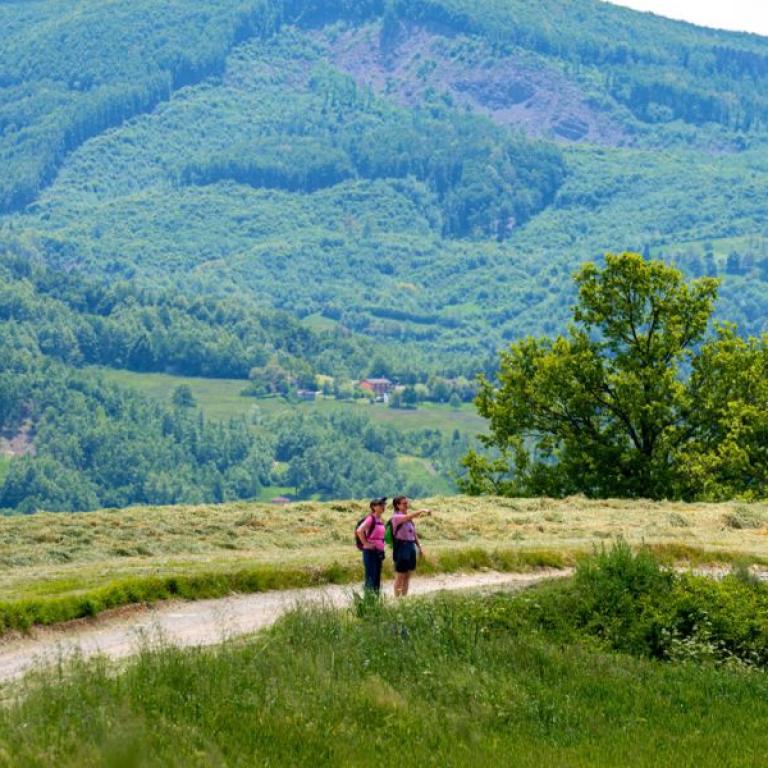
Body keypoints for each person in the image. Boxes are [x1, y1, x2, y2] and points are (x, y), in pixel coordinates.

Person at [390, 496, 431, 597]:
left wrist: (419, 547)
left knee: (408, 574)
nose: (406, 505)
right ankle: (397, 598)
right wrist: (422, 510)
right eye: (404, 503)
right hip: (401, 546)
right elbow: (410, 516)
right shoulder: (396, 517)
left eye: (407, 503)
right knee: (400, 574)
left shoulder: (408, 519)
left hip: (410, 545)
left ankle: (404, 597)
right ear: (397, 505)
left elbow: (413, 533)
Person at [356, 497, 387, 594]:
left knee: (376, 578)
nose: (383, 506)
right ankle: (369, 602)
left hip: (378, 552)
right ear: (373, 507)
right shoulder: (371, 519)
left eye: (383, 504)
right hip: (371, 552)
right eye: (380, 504)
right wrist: (366, 544)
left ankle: (375, 603)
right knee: (371, 578)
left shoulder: (380, 519)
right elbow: (359, 530)